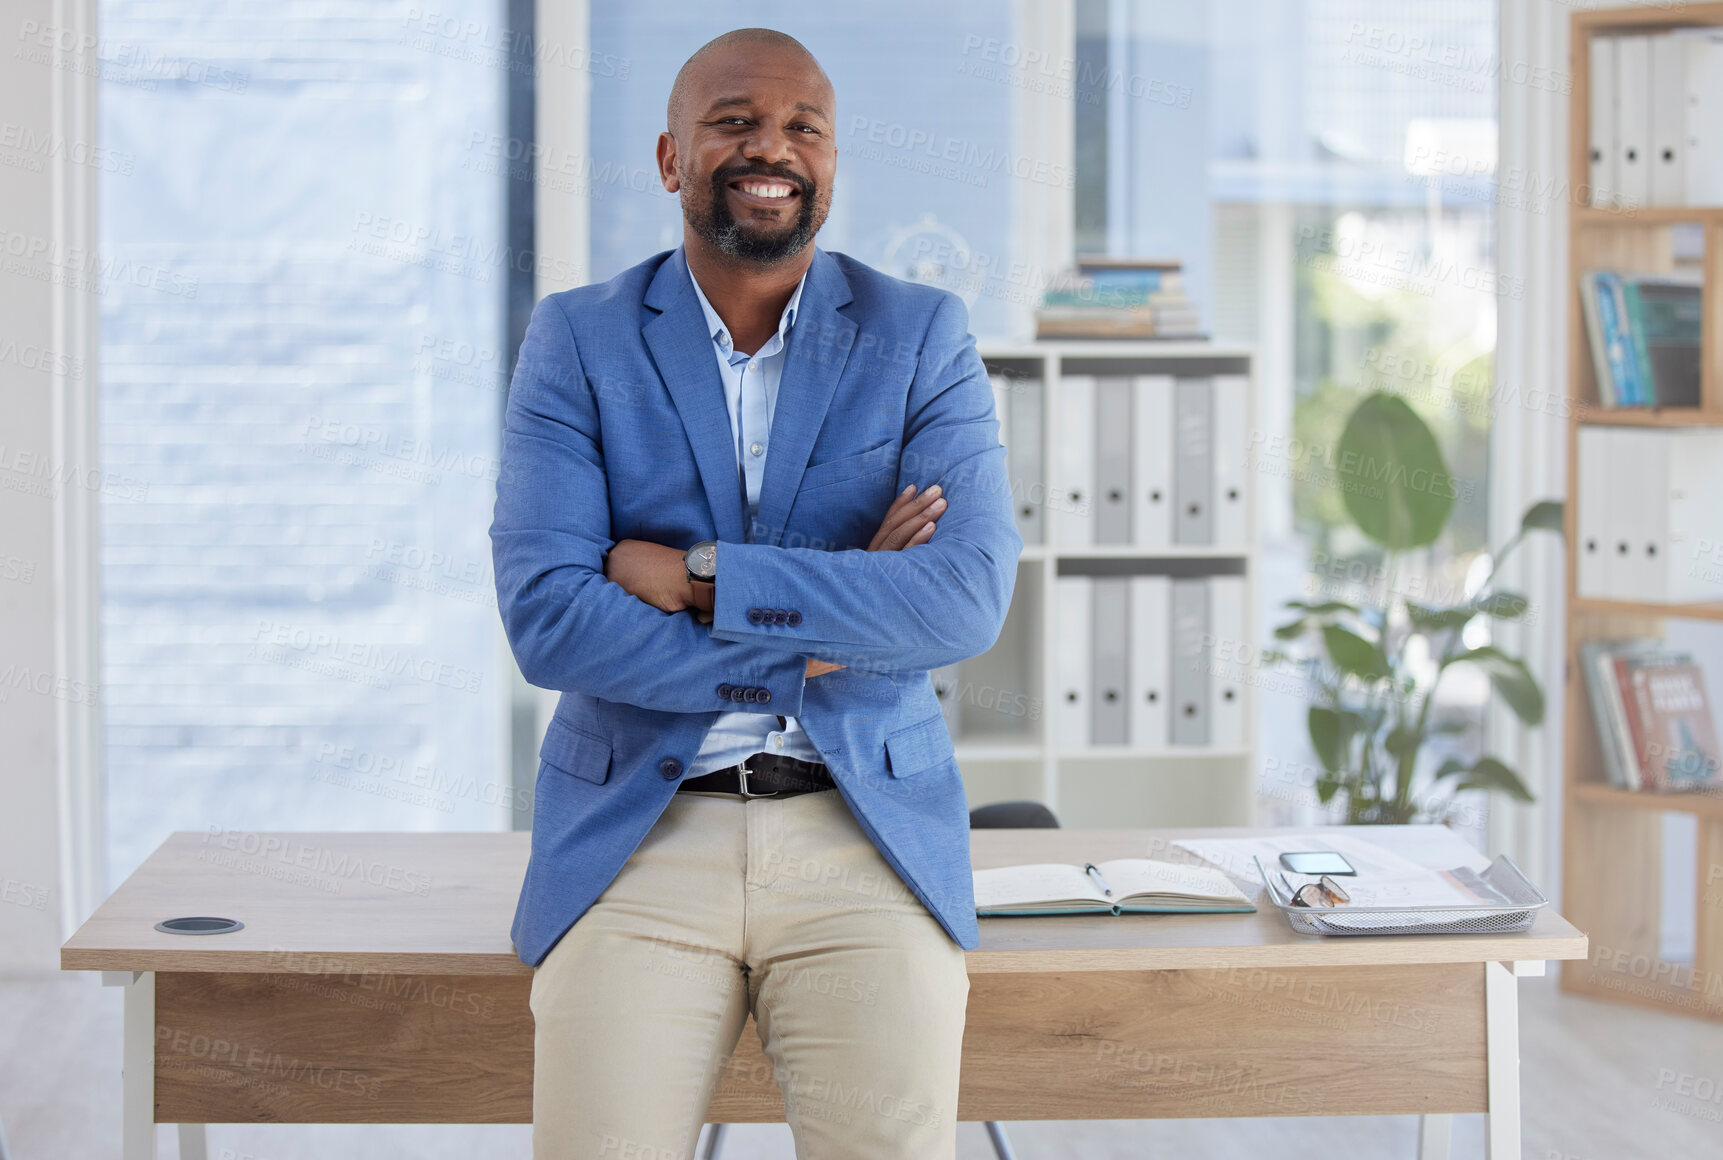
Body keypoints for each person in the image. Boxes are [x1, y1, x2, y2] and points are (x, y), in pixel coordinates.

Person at [491, 26, 1022, 1159]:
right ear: (671, 156)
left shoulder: (920, 336)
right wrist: (836, 616)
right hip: (640, 833)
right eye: (733, 120)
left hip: (859, 830)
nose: (768, 148)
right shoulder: (577, 339)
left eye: (801, 127)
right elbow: (547, 615)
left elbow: (964, 599)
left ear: (831, 162)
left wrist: (695, 577)